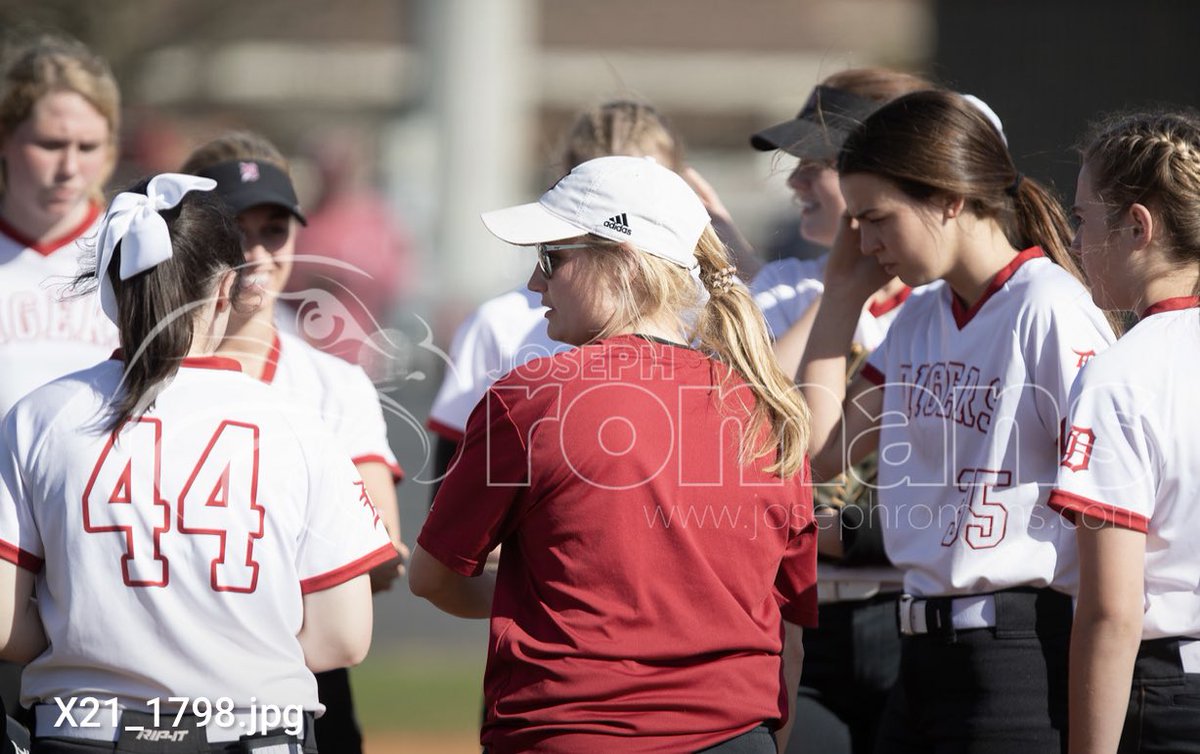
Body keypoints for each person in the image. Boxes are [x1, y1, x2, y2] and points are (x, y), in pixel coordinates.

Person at [411, 155, 818, 753]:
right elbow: (788, 625)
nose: (534, 283)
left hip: (572, 732)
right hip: (737, 737)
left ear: (625, 262)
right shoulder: (768, 407)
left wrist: (544, 595)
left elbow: (432, 578)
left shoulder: (534, 395)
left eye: (551, 258)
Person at [0, 174, 393, 753]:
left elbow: (7, 623)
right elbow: (343, 638)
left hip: (83, 731)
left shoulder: (39, 415)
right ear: (226, 289)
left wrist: (92, 651)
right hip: (254, 734)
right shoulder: (301, 423)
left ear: (110, 288)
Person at [797, 89, 1117, 752]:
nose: (864, 242)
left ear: (949, 195)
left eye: (877, 218)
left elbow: (1108, 498)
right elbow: (823, 450)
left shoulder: (1050, 307)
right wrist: (840, 298)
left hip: (1015, 654)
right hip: (921, 661)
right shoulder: (920, 314)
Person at [179, 131, 406, 754]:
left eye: (275, 229)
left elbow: (381, 555)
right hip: (152, 684)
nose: (256, 252)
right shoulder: (138, 371)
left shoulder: (332, 382)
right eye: (230, 231)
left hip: (302, 680)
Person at [427, 99, 751, 490]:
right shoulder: (501, 322)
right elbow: (453, 500)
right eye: (595, 178)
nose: (623, 196)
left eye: (645, 183)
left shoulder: (720, 320)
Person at [748, 67, 931, 754]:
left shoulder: (944, 301)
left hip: (914, 612)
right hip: (803, 615)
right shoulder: (780, 287)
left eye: (815, 165)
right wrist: (840, 292)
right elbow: (736, 422)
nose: (794, 182)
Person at [1047, 109, 1200, 754]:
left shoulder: (1122, 373)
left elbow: (1111, 612)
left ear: (1138, 225)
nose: (1076, 242)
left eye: (1083, 218)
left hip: (1169, 697)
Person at [0, 31, 120, 417]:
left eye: (88, 148)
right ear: (5, 139)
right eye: (50, 144)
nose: (69, 168)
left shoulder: (135, 255)